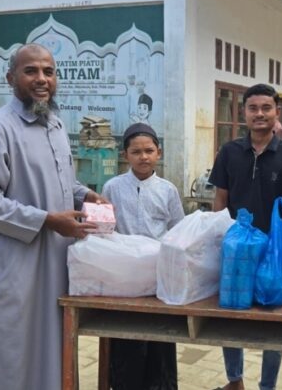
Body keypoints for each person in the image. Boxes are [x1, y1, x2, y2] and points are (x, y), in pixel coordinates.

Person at [0, 43, 107, 390]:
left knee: (51, 348)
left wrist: (84, 194)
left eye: (49, 72)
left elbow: (59, 179)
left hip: (53, 261)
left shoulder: (54, 125)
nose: (42, 79)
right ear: (10, 78)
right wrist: (46, 220)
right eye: (31, 71)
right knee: (8, 353)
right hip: (13, 266)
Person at [209, 83, 282, 390]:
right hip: (236, 250)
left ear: (277, 112)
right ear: (244, 113)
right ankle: (235, 380)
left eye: (266, 108)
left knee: (272, 319)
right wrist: (216, 238)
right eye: (253, 108)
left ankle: (267, 385)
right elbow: (220, 198)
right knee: (231, 312)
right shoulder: (229, 152)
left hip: (274, 252)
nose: (260, 114)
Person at [101, 122, 184, 390]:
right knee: (125, 338)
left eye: (149, 150)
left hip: (158, 277)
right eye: (136, 152)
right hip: (123, 277)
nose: (143, 157)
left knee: (160, 338)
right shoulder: (112, 187)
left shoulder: (168, 190)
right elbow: (105, 229)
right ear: (125, 155)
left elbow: (178, 232)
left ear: (159, 152)